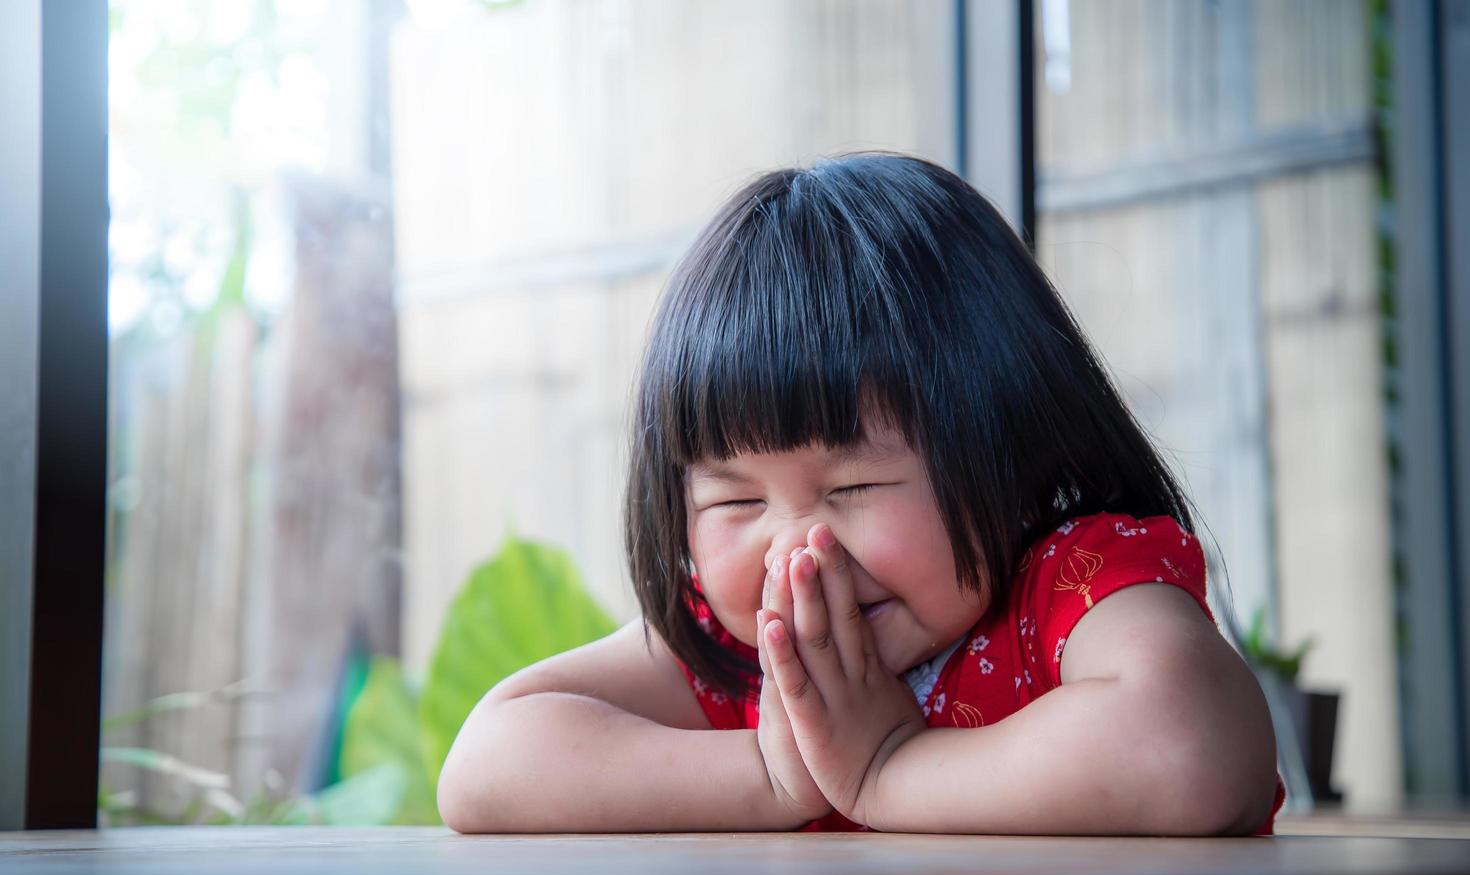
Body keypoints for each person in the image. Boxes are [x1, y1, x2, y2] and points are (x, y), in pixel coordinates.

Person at [436, 151, 1286, 836]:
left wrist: (887, 768)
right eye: (735, 501)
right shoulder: (742, 650)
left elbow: (1189, 751)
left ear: (1017, 454)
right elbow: (485, 766)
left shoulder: (1070, 584)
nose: (797, 550)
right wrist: (768, 779)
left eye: (858, 485)